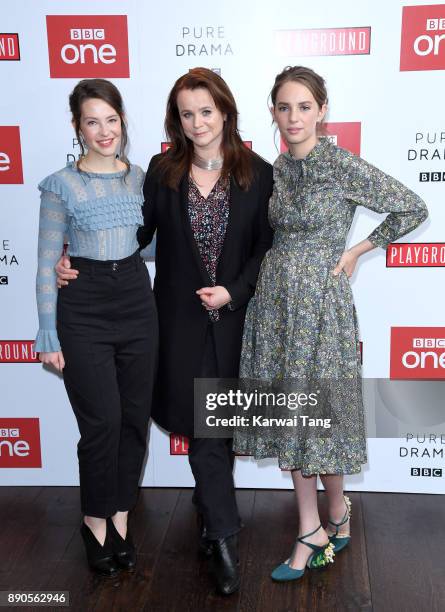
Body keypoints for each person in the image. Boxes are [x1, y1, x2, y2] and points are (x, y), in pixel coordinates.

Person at [55, 68, 273, 595]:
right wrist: (74, 256)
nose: (197, 122)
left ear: (225, 111)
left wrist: (234, 291)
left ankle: (215, 522)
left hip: (236, 324)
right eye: (186, 113)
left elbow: (267, 248)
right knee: (205, 429)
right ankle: (220, 533)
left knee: (212, 432)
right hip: (173, 324)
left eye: (206, 110)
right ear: (175, 120)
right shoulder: (161, 169)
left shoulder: (259, 173)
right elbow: (136, 231)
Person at [233, 66, 428, 582]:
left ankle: (314, 529)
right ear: (273, 113)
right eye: (283, 107)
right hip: (276, 305)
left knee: (317, 413)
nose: (293, 117)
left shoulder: (340, 164)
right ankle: (329, 516)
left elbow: (412, 206)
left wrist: (359, 251)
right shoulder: (276, 167)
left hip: (320, 305)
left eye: (303, 106)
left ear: (322, 110)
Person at [34, 79, 158, 577]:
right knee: (101, 420)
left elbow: (146, 245)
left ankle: (122, 514)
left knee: (133, 417)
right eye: (92, 121)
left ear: (122, 121)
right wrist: (47, 331)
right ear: (77, 127)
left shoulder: (141, 178)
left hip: (134, 296)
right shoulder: (59, 184)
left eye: (111, 119)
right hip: (82, 307)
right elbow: (46, 263)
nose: (104, 130)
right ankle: (94, 519)